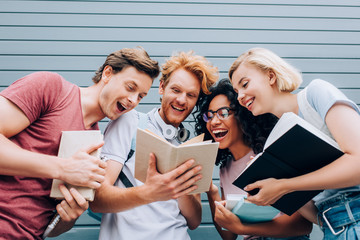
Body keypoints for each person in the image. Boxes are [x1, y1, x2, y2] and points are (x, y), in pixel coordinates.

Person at [0, 47, 160, 239]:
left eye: (141, 96)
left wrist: (69, 217)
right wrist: (62, 168)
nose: (133, 100)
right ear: (108, 73)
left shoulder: (95, 144)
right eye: (130, 87)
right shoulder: (52, 88)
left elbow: (52, 228)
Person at [229, 47, 360, 239]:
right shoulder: (277, 142)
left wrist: (285, 185)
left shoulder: (316, 93)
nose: (240, 96)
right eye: (236, 91)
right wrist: (272, 187)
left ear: (271, 76)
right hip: (333, 229)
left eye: (245, 84)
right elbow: (315, 216)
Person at [90, 51, 219, 240]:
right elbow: (98, 199)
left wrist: (179, 185)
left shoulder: (188, 145)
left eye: (191, 95)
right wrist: (149, 192)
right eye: (176, 90)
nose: (182, 100)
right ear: (161, 87)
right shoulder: (129, 122)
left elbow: (194, 221)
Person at [194, 78, 312, 240]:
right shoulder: (224, 170)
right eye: (209, 115)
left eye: (223, 113)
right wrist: (212, 192)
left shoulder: (270, 154)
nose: (214, 121)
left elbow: (302, 224)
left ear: (243, 114)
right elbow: (229, 235)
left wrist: (244, 227)